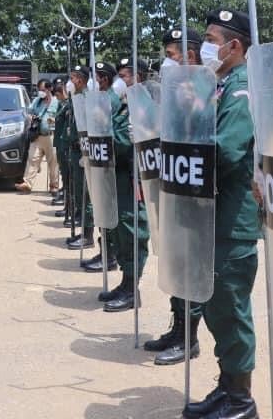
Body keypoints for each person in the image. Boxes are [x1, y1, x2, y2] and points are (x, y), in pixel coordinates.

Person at [182, 9, 261, 419]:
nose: (204, 47)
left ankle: (240, 401)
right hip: (212, 216)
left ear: (234, 46)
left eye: (211, 40)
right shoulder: (220, 85)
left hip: (233, 220)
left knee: (230, 309)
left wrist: (183, 152)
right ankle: (228, 387)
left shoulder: (242, 88)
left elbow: (226, 151)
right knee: (216, 308)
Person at [144, 27, 206, 367]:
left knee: (190, 267)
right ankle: (178, 327)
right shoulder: (173, 93)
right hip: (175, 189)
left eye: (171, 56)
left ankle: (188, 337)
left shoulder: (206, 90)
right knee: (176, 263)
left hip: (197, 195)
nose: (165, 63)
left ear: (189, 56)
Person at [93, 61, 148, 311]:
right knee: (120, 232)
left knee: (132, 231)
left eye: (124, 76)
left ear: (138, 78)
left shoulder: (143, 105)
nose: (119, 81)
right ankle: (126, 283)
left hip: (133, 179)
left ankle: (131, 288)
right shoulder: (125, 106)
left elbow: (121, 142)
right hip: (118, 178)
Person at [66, 64, 97, 252]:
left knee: (87, 196)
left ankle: (88, 236)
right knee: (80, 194)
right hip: (76, 150)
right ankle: (84, 231)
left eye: (74, 78)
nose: (70, 81)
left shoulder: (87, 98)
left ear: (82, 79)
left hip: (84, 149)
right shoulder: (76, 97)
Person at [16, 80, 60, 194]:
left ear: (50, 89)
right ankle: (27, 184)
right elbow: (28, 112)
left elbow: (61, 117)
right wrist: (30, 117)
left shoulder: (57, 102)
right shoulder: (37, 101)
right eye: (39, 90)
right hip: (37, 135)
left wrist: (54, 120)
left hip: (51, 136)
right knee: (33, 159)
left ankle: (54, 185)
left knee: (53, 162)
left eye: (43, 90)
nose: (41, 92)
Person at [51, 81, 71, 214]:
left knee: (67, 174)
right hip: (60, 142)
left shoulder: (69, 105)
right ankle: (65, 196)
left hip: (65, 143)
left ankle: (68, 202)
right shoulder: (62, 105)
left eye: (58, 94)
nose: (57, 97)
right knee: (64, 172)